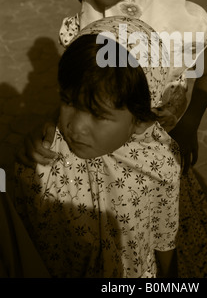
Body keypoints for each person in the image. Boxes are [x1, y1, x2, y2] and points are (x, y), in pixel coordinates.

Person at [19, 0, 207, 276]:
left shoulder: (179, 27)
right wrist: (48, 130)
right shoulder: (84, 26)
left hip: (158, 166)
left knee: (159, 240)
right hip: (90, 171)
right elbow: (80, 97)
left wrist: (190, 126)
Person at [14, 16, 181, 278]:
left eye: (98, 114)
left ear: (140, 120)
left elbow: (163, 233)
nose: (76, 127)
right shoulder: (46, 150)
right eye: (69, 102)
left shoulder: (160, 164)